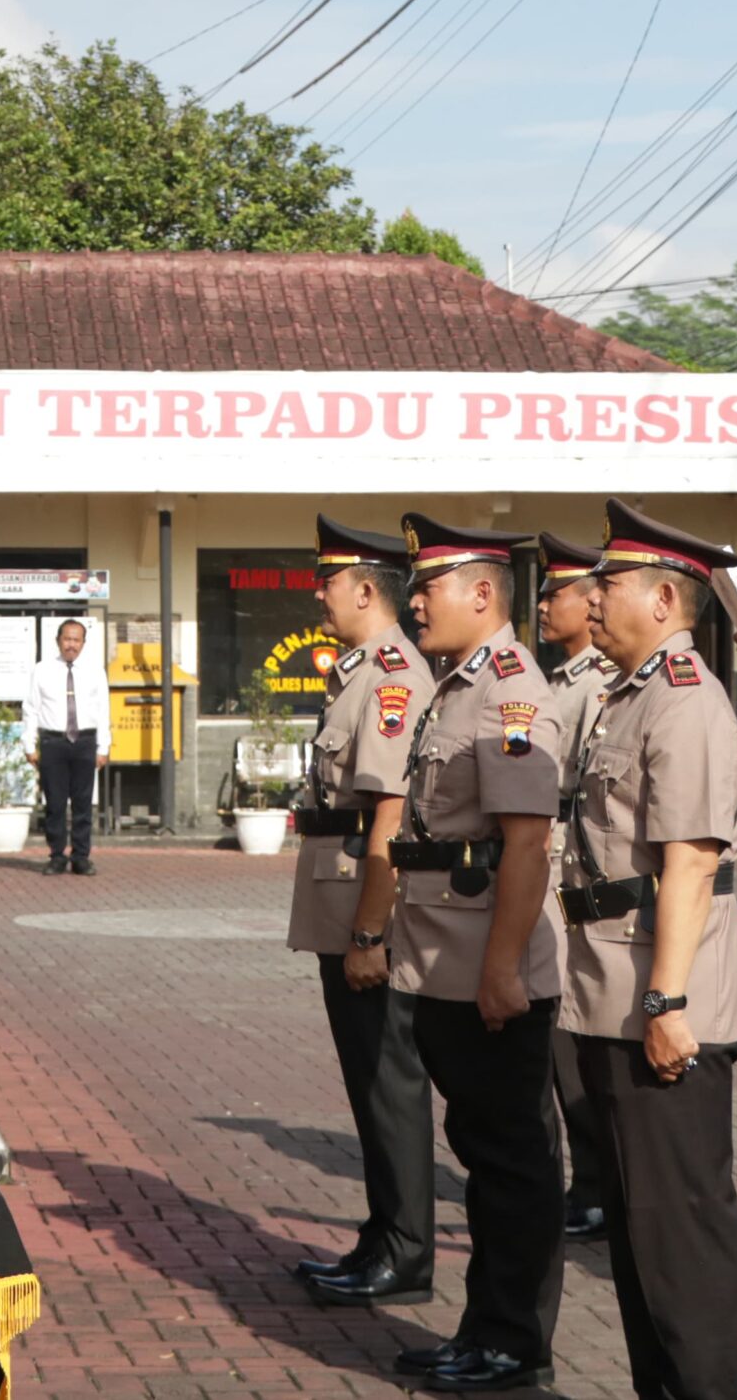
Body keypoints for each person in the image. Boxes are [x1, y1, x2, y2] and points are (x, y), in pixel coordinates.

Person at [561, 500, 737, 1400]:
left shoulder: (684, 700)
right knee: (641, 1230)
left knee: (682, 1227)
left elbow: (689, 860)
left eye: (610, 584)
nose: (592, 599)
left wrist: (668, 1002)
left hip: (660, 994)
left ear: (668, 601)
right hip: (611, 982)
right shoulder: (623, 694)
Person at [380, 516, 565, 1393]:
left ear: (483, 594)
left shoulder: (509, 692)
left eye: (430, 587)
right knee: (484, 1155)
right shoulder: (456, 685)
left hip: (485, 960)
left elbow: (526, 845)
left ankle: (511, 1339)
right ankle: (485, 1325)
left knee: (510, 1163)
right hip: (442, 955)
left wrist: (502, 966)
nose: (413, 601)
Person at [290, 515, 437, 1309]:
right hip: (340, 893)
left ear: (365, 590)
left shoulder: (390, 676)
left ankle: (408, 1250)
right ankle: (384, 1234)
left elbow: (387, 810)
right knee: (366, 1077)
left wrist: (370, 932)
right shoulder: (357, 672)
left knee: (389, 1079)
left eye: (330, 580)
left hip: (363, 904)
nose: (320, 591)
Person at [537, 533, 615, 1243]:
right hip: (552, 864)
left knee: (576, 1037)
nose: (542, 604)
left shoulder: (597, 681)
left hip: (573, 865)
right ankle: (585, 1178)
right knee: (562, 1037)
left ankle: (596, 1184)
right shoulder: (561, 678)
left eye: (554, 591)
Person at [27, 618, 109, 875]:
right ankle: (56, 855)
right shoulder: (42, 670)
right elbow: (30, 709)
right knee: (55, 803)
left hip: (85, 741)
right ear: (58, 641)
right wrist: (29, 743)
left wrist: (103, 747)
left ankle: (81, 856)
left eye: (76, 640)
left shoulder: (95, 670)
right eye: (67, 639)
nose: (71, 645)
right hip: (53, 742)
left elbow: (104, 709)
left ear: (83, 643)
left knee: (83, 802)